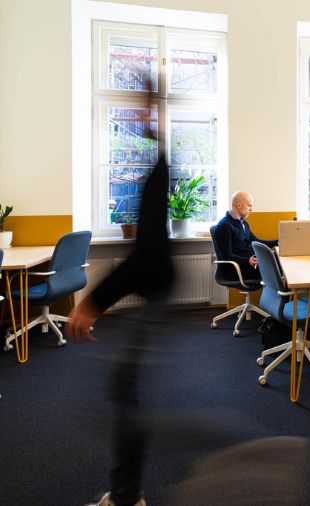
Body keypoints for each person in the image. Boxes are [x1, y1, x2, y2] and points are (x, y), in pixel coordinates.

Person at [67, 96, 174, 506]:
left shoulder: (158, 171)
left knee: (127, 391)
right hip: (156, 289)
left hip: (156, 289)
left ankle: (128, 496)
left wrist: (94, 301)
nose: (133, 118)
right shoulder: (157, 167)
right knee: (127, 387)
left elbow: (145, 254)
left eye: (142, 110)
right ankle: (128, 493)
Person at [213, 192, 277, 282]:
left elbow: (255, 241)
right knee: (275, 266)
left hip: (248, 263)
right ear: (239, 206)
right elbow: (226, 256)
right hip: (237, 269)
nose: (251, 210)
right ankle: (281, 291)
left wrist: (277, 242)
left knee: (277, 259)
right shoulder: (224, 226)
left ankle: (283, 291)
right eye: (249, 206)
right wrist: (248, 260)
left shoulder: (243, 222)